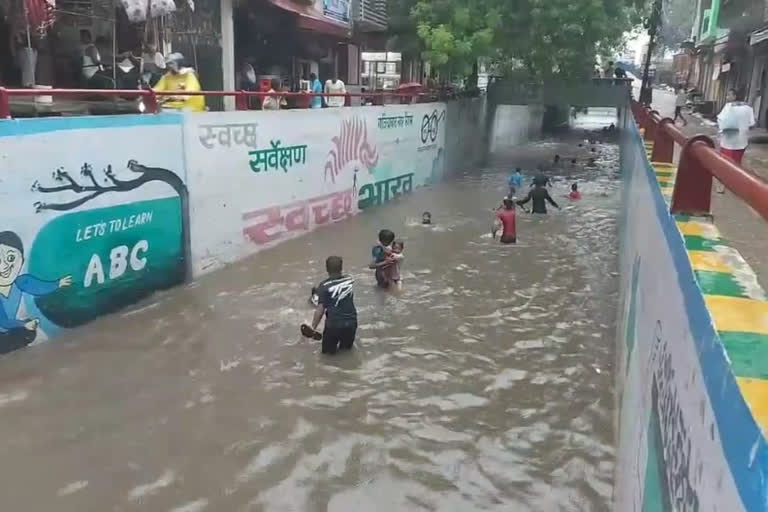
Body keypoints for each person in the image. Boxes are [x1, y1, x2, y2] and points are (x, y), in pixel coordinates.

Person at [0, 231, 72, 354]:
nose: (4, 267)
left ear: (22, 260)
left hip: (9, 331)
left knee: (30, 332)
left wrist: (57, 284)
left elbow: (37, 286)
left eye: (11, 258)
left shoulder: (21, 282)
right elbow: (3, 321)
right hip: (5, 330)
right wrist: (23, 324)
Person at [310, 256, 357, 355]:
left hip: (334, 326)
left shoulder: (323, 286)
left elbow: (320, 311)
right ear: (341, 268)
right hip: (351, 323)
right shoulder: (350, 280)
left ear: (327, 269)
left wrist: (312, 328)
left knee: (327, 355)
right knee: (346, 352)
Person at [716, 89, 755, 193]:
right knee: (737, 165)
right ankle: (735, 186)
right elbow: (751, 123)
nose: (727, 97)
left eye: (729, 95)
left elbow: (720, 120)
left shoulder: (728, 107)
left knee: (725, 164)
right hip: (741, 142)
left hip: (728, 141)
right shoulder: (748, 108)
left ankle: (722, 187)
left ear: (735, 96)